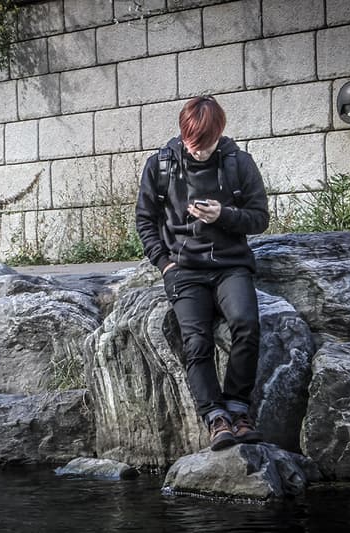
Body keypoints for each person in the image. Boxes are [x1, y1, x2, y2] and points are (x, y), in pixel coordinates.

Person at [135, 95, 270, 451]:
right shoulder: (160, 166)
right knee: (196, 341)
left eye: (205, 144)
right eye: (192, 144)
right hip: (184, 270)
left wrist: (223, 215)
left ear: (219, 133)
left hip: (231, 265)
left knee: (246, 324)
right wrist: (164, 263)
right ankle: (215, 417)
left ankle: (239, 410)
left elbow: (259, 218)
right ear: (183, 135)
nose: (198, 152)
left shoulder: (239, 163)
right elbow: (145, 221)